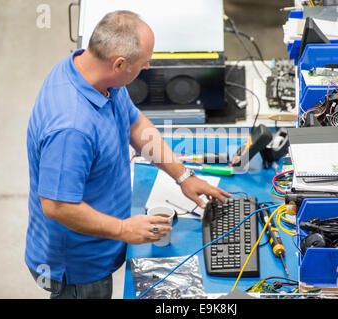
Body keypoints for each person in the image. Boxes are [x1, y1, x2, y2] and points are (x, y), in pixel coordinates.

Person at [25, 10, 230, 299]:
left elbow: (135, 124)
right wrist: (123, 228)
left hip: (98, 242)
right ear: (119, 63)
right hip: (78, 266)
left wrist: (182, 176)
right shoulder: (71, 128)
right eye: (144, 63)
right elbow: (57, 207)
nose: (147, 67)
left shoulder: (92, 72)